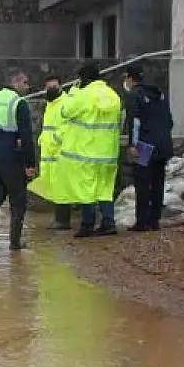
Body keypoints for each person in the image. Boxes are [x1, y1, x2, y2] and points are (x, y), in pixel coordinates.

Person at [55, 63, 123, 238]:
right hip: (108, 154)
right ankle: (109, 223)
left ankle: (87, 225)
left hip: (86, 153)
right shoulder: (113, 95)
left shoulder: (83, 95)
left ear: (83, 79)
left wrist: (72, 93)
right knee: (105, 189)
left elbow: (64, 111)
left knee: (86, 190)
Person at [0, 68, 37, 253]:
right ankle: (15, 243)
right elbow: (26, 136)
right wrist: (30, 165)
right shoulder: (19, 103)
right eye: (25, 83)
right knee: (18, 202)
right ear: (16, 82)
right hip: (11, 158)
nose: (28, 87)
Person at [122, 64, 173, 232]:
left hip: (144, 145)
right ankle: (154, 220)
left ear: (130, 78)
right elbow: (170, 120)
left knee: (143, 183)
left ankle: (142, 221)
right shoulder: (160, 94)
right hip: (163, 144)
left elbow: (135, 123)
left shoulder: (134, 95)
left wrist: (133, 145)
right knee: (158, 182)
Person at [27, 75, 72, 230]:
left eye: (53, 86)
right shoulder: (50, 104)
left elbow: (68, 126)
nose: (49, 90)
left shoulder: (66, 103)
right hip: (49, 154)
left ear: (60, 87)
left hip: (60, 153)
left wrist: (55, 140)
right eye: (47, 87)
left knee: (62, 189)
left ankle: (62, 221)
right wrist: (43, 139)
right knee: (54, 188)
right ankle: (59, 219)